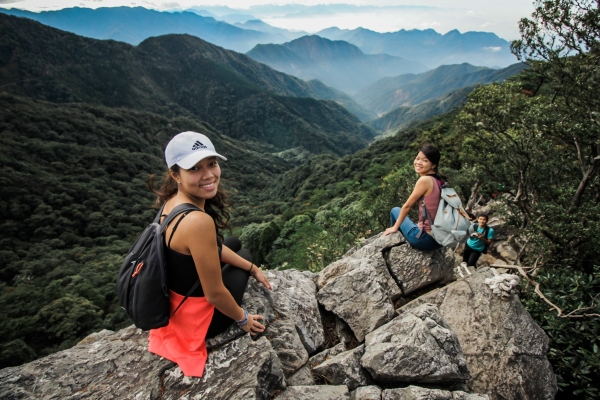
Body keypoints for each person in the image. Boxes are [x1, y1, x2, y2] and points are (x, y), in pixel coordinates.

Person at [147, 131, 272, 378]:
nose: (208, 175)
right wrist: (243, 319)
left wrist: (252, 268)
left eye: (212, 164)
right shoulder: (197, 222)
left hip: (173, 297)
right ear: (176, 174)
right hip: (200, 319)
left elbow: (212, 247)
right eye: (195, 168)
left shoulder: (172, 201)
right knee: (244, 252)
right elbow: (214, 294)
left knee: (232, 243)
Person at [382, 144, 445, 251]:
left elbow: (407, 206)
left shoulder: (425, 180)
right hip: (441, 239)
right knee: (411, 221)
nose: (419, 162)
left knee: (395, 210)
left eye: (425, 160)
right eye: (417, 158)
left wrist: (395, 227)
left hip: (426, 240)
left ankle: (396, 240)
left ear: (433, 164)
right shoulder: (440, 180)